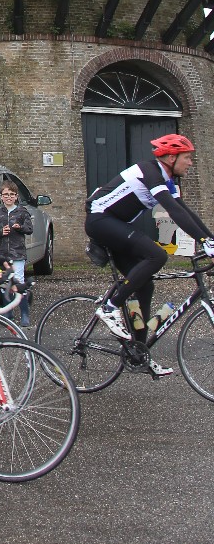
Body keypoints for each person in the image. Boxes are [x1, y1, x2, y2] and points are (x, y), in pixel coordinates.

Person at [85, 133, 214, 375]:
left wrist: (210, 240)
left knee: (145, 285)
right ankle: (110, 307)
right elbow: (173, 210)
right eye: (187, 157)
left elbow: (185, 211)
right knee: (157, 255)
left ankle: (139, 352)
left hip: (116, 225)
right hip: (100, 220)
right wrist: (204, 241)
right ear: (171, 157)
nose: (190, 163)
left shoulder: (167, 180)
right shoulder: (150, 171)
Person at [0, 181, 34, 327]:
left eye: (12, 194)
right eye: (6, 194)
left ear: (16, 196)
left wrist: (19, 227)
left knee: (18, 282)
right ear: (1, 196)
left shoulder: (22, 212)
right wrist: (0, 232)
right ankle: (8, 314)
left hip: (18, 253)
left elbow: (29, 229)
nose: (9, 197)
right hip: (3, 254)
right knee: (5, 283)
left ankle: (25, 314)